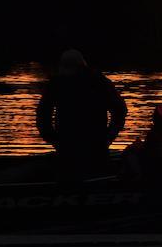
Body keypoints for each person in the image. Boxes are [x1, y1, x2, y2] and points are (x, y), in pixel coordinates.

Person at [36, 49, 127, 179]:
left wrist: (52, 138)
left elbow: (42, 114)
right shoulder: (99, 82)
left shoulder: (58, 83)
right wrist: (110, 135)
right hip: (76, 144)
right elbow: (120, 110)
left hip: (87, 144)